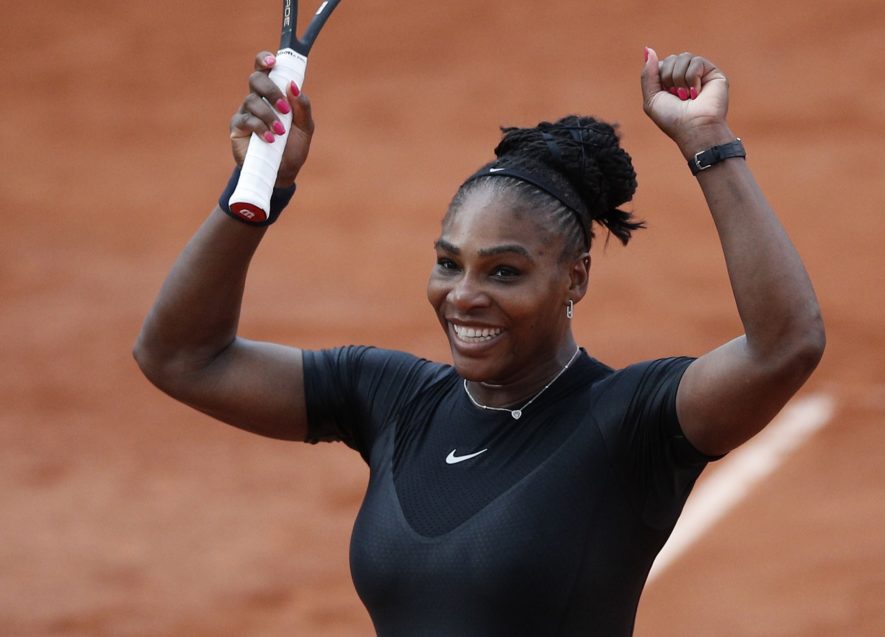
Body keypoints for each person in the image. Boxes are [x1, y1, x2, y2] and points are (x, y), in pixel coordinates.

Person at [135, 47, 824, 636]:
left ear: (574, 280)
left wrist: (708, 142)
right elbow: (180, 356)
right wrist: (256, 191)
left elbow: (783, 346)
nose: (464, 293)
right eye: (448, 262)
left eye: (504, 271)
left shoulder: (629, 422)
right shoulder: (393, 399)